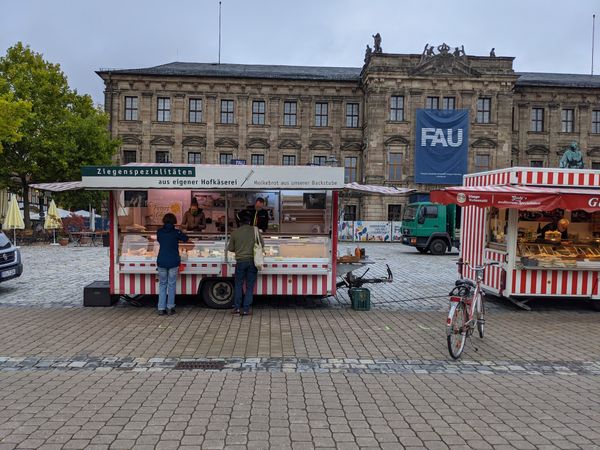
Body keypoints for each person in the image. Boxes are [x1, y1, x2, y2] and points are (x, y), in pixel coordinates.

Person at [227, 210, 264, 316]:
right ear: (249, 221)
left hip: (240, 262)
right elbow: (262, 244)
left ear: (239, 221)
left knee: (238, 285)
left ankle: (237, 308)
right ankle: (246, 310)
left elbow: (231, 248)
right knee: (249, 286)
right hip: (253, 262)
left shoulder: (235, 232)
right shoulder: (255, 230)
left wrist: (239, 249)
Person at [156, 213, 188, 315]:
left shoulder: (159, 232)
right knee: (171, 285)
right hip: (173, 261)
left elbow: (160, 240)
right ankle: (170, 308)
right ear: (174, 221)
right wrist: (181, 231)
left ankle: (161, 308)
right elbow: (185, 238)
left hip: (161, 261)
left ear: (164, 221)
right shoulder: (176, 232)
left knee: (162, 284)